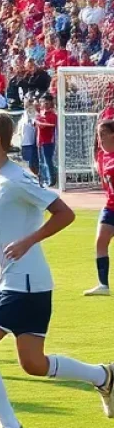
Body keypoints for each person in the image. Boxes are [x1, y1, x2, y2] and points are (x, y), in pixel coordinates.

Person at [0, 110, 113, 428]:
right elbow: (3, 223)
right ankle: (104, 376)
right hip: (19, 283)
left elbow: (64, 213)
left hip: (22, 283)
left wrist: (30, 241)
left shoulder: (17, 178)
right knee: (34, 364)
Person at [84, 118, 114, 296]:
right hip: (110, 206)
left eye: (103, 135)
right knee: (101, 241)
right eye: (98, 135)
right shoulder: (103, 157)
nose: (100, 139)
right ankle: (103, 285)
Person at [35, 94, 58, 187]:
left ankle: (51, 180)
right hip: (40, 141)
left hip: (48, 141)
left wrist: (41, 123)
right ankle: (43, 180)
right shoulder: (41, 113)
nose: (45, 104)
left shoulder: (52, 115)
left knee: (48, 161)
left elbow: (52, 125)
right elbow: (36, 122)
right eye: (44, 102)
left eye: (47, 103)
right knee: (41, 161)